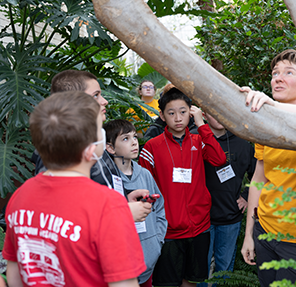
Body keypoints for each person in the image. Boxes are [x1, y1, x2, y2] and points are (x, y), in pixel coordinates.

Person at [3, 91, 146, 287]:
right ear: (90, 149)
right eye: (99, 129)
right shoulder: (108, 204)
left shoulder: (20, 196)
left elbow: (15, 275)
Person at [240, 49, 296, 286]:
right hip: (265, 231)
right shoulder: (265, 127)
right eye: (275, 73)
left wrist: (272, 106)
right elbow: (258, 181)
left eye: (288, 73)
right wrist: (249, 235)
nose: (277, 78)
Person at [30, 69, 152, 222]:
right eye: (96, 95)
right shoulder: (56, 153)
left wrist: (124, 197)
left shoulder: (94, 141)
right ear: (73, 102)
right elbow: (62, 216)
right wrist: (122, 213)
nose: (104, 101)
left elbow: (101, 186)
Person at [139, 88, 226, 287]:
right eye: (171, 113)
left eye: (183, 112)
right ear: (162, 115)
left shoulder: (199, 141)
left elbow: (219, 159)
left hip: (199, 227)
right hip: (168, 230)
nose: (178, 118)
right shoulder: (151, 147)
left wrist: (202, 124)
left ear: (191, 113)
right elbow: (145, 189)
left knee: (192, 281)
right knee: (167, 283)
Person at [104, 119, 168, 287]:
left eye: (134, 136)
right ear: (110, 148)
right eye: (125, 138)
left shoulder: (145, 174)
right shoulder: (106, 180)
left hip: (149, 261)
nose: (134, 142)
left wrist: (157, 240)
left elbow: (160, 208)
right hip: (121, 271)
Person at [199, 113, 256, 286]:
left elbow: (256, 176)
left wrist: (246, 197)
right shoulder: (195, 139)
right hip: (201, 217)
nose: (220, 116)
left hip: (230, 216)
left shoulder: (243, 144)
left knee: (224, 268)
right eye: (214, 112)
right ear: (203, 115)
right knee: (200, 266)